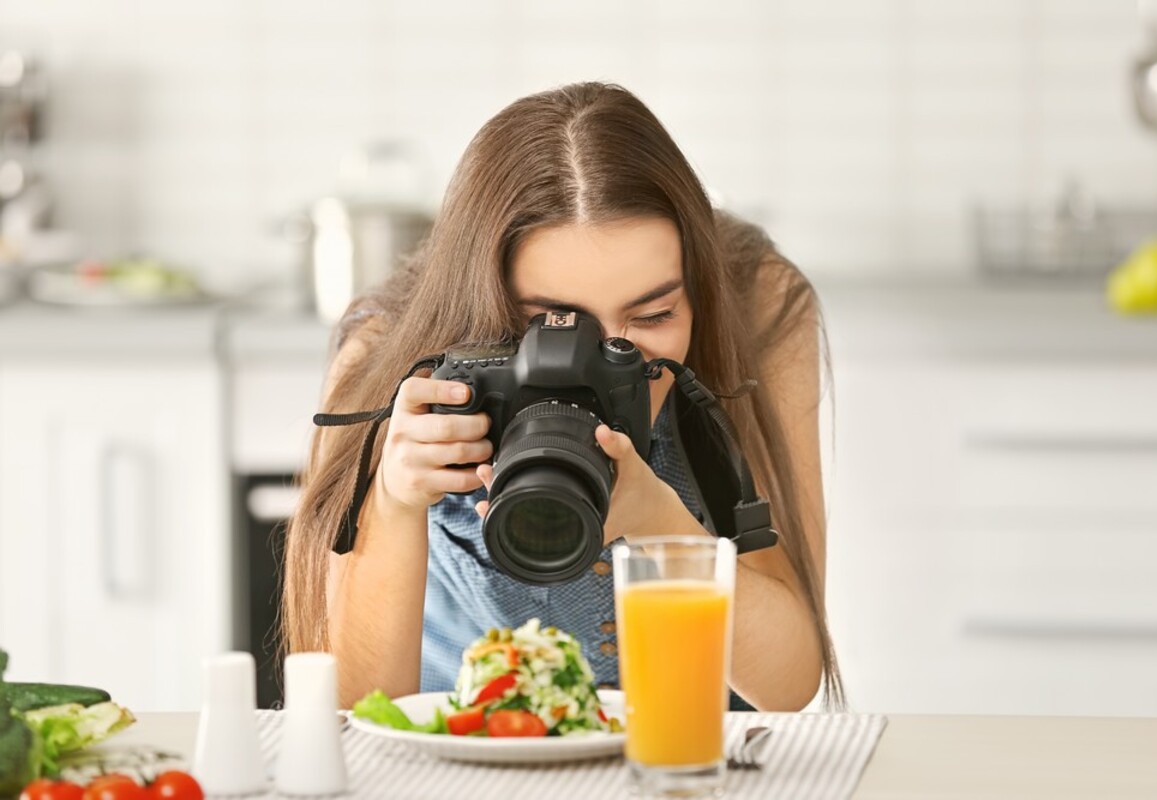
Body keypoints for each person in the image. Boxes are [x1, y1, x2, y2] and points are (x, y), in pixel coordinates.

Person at [282, 82, 843, 712]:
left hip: (690, 756)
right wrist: (394, 500)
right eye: (554, 324)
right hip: (466, 754)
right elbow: (360, 719)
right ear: (483, 308)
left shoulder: (756, 309)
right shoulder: (388, 351)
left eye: (654, 315)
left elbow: (791, 684)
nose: (606, 359)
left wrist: (660, 524)